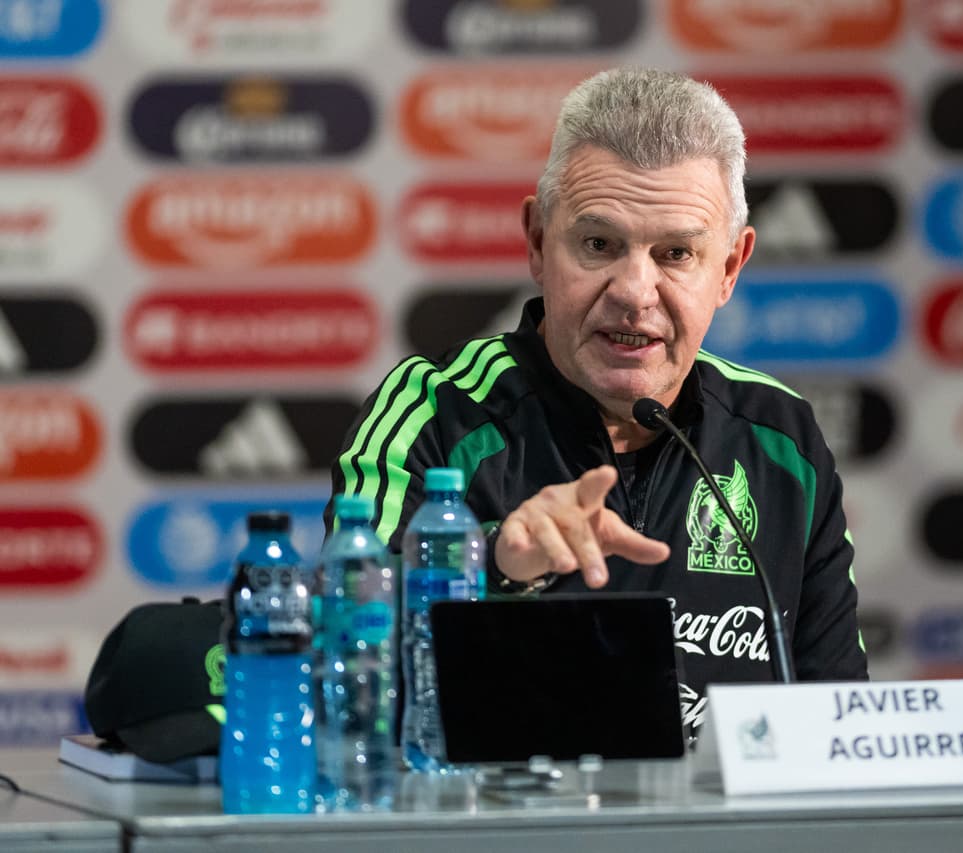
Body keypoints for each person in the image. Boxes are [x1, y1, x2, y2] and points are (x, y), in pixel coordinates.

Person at [328, 67, 869, 732]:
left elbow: (842, 720)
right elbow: (349, 672)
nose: (634, 291)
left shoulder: (782, 436)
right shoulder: (433, 414)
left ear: (729, 269)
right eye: (598, 244)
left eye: (675, 253)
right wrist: (497, 562)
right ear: (536, 242)